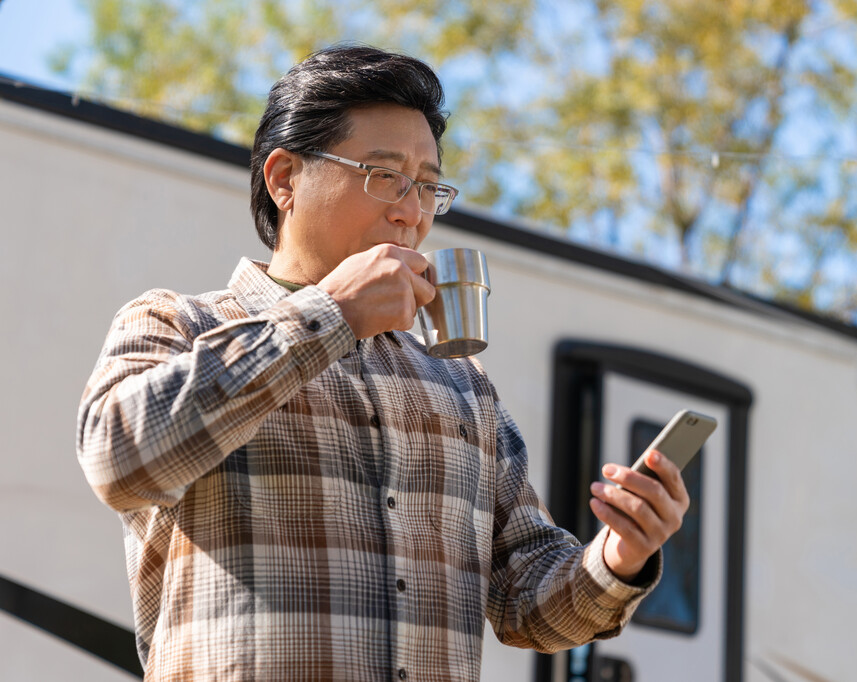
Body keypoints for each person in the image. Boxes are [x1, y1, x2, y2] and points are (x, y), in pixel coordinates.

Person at [76, 44, 690, 681]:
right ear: (284, 178)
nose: (411, 211)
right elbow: (120, 461)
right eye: (384, 174)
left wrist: (620, 556)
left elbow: (526, 607)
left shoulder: (462, 390)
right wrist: (328, 313)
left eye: (428, 186)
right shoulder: (178, 323)